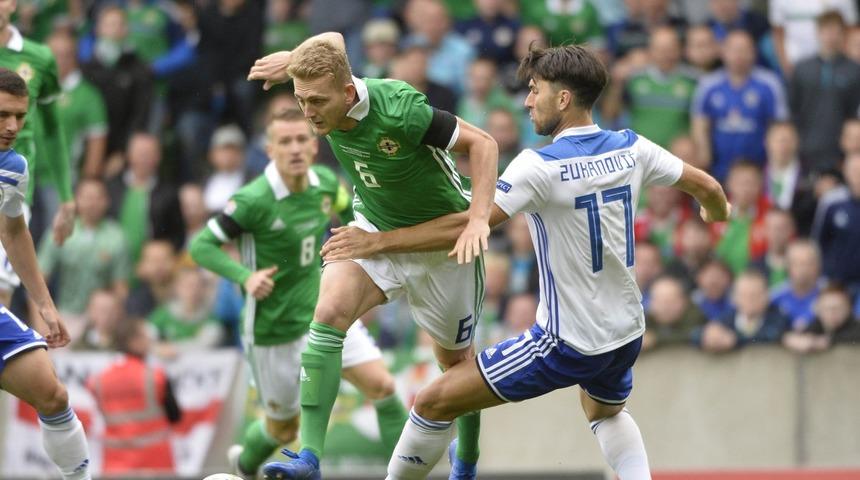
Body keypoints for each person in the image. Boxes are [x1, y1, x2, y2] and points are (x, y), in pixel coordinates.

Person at [320, 44, 730, 480]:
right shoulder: (632, 146)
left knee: (432, 401)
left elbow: (466, 224)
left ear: (564, 99)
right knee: (604, 412)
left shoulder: (539, 166)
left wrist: (379, 242)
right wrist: (717, 213)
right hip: (626, 331)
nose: (527, 101)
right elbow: (707, 187)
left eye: (535, 91)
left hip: (564, 341)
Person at [248, 30, 498, 480]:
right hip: (374, 225)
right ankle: (308, 458)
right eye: (301, 100)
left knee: (455, 365)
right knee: (328, 314)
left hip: (442, 242)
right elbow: (334, 37)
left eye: (317, 101)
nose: (308, 113)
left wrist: (480, 217)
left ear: (348, 92)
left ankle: (468, 459)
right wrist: (294, 58)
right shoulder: (327, 92)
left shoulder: (400, 108)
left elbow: (484, 144)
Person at [190, 109, 410, 478]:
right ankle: (243, 466)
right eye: (285, 141)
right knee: (284, 430)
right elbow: (201, 246)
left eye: (301, 139)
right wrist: (244, 276)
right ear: (269, 148)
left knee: (384, 386)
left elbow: (352, 211)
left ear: (314, 144)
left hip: (325, 313)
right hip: (273, 330)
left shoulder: (324, 183)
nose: (294, 148)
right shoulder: (252, 200)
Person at [0, 68, 90, 479]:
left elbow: (14, 232)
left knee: (51, 393)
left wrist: (46, 306)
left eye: (19, 116)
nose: (12, 126)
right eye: (2, 115)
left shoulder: (13, 166)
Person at [0, 0, 75, 306]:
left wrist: (67, 197)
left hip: (12, 188)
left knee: (1, 292)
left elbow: (53, 130)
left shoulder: (40, 57)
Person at [87, 317, 181, 475]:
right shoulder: (156, 377)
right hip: (155, 464)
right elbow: (175, 416)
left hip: (115, 467)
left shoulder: (97, 380)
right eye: (145, 336)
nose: (149, 340)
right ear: (133, 341)